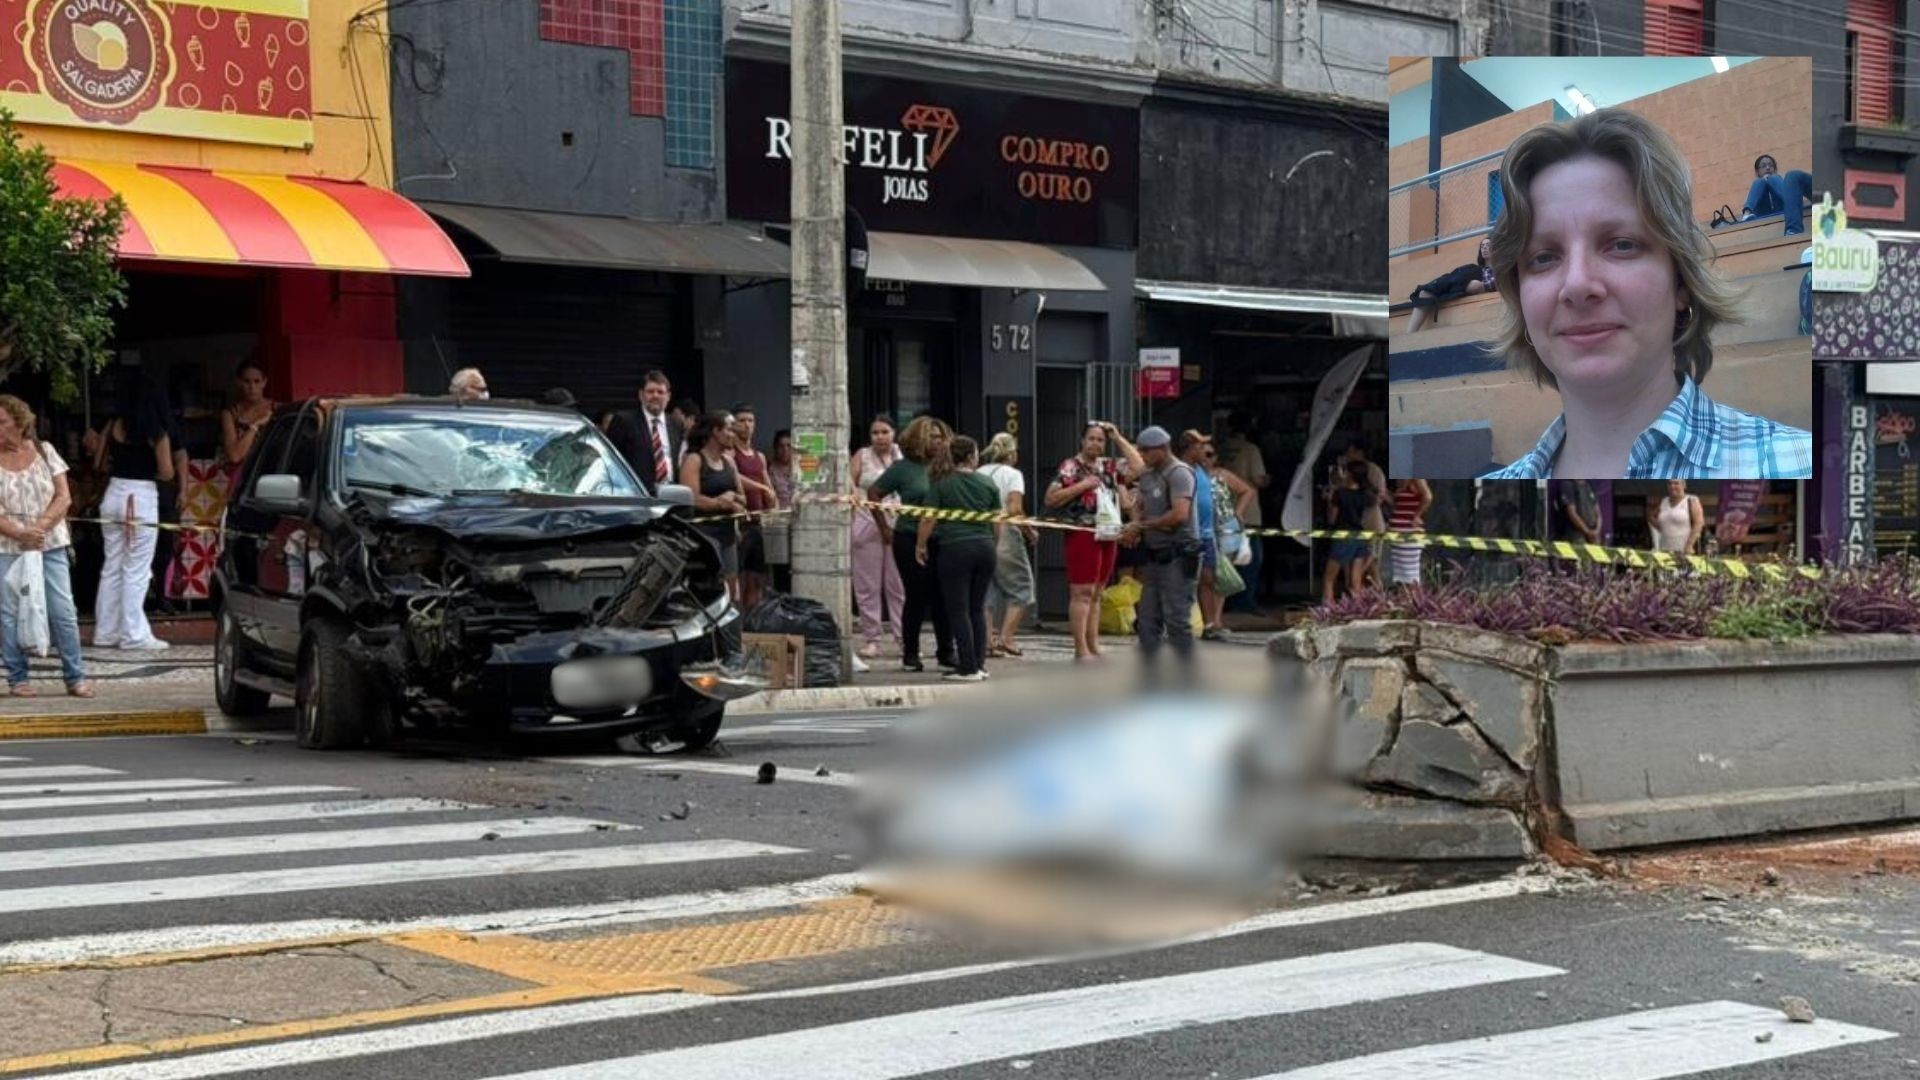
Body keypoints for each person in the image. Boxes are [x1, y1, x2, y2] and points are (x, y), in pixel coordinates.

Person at [1478, 108, 1812, 479]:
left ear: (1681, 283)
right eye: (1542, 257)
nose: (1577, 285)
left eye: (1621, 245)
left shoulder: (1799, 462)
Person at [0, 396, 90, 698]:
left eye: (2, 422)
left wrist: (38, 529)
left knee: (62, 609)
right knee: (10, 612)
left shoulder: (44, 450)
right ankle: (18, 678)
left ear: (20, 422)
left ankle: (75, 676)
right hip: (7, 546)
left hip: (50, 543)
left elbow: (63, 497)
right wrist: (20, 533)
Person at [90, 370, 179, 651]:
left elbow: (98, 464)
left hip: (113, 494)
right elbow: (167, 472)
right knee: (136, 569)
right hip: (140, 498)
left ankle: (105, 632)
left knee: (113, 564)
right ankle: (133, 634)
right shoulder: (156, 431)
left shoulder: (112, 425)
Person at [1045, 421, 1143, 662]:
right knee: (1082, 592)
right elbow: (1051, 498)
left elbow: (1139, 466)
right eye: (1092, 439)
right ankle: (1081, 649)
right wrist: (1082, 486)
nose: (1096, 444)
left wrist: (1117, 436)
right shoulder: (1071, 466)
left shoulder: (1109, 466)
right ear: (1082, 441)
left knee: (1098, 592)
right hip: (1082, 533)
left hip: (1108, 533)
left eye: (1100, 440)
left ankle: (1093, 644)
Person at [871, 416, 956, 672]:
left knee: (943, 596)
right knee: (916, 595)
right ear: (919, 439)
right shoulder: (903, 469)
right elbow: (874, 493)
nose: (939, 442)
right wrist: (884, 527)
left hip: (943, 538)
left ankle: (946, 652)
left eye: (941, 437)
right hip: (908, 537)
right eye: (933, 437)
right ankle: (910, 654)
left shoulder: (946, 467)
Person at [915, 435, 1001, 683]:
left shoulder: (942, 483)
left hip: (955, 548)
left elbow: (928, 518)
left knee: (958, 609)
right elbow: (997, 522)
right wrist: (993, 544)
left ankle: (967, 666)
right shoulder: (988, 483)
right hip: (985, 547)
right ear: (973, 456)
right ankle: (980, 664)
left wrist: (920, 545)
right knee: (977, 608)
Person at [1121, 426, 1200, 681]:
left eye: (1146, 450)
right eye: (1140, 450)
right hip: (1154, 556)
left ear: (1162, 448)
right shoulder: (1148, 475)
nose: (1141, 454)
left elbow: (1179, 515)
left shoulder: (1179, 474)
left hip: (1178, 555)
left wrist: (1145, 525)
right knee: (1146, 621)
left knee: (1177, 621)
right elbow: (1141, 507)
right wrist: (1134, 524)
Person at [850, 416, 905, 659]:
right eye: (875, 432)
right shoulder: (861, 456)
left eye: (885, 432)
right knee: (867, 585)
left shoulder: (903, 457)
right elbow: (849, 485)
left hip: (898, 523)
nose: (880, 437)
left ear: (894, 433)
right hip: (866, 523)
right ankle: (872, 638)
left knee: (898, 585)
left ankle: (903, 636)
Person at [977, 433, 1036, 659]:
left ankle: (986, 642)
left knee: (986, 588)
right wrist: (1029, 530)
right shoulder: (1013, 474)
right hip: (1005, 533)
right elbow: (1014, 508)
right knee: (1022, 587)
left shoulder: (978, 472)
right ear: (1012, 454)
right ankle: (1006, 638)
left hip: (980, 533)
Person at [679, 411, 747, 601]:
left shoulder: (729, 462)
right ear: (716, 432)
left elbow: (742, 498)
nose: (734, 434)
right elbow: (691, 498)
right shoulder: (694, 460)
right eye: (730, 429)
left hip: (728, 538)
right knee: (707, 594)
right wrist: (721, 503)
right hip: (703, 540)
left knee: (732, 593)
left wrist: (733, 498)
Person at [1199, 441, 1256, 639]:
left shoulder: (1222, 475)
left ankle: (1217, 620)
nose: (1207, 459)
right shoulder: (1192, 475)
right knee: (1204, 576)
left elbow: (1248, 490)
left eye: (1211, 454)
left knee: (1221, 575)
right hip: (1203, 529)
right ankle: (1206, 621)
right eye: (1204, 454)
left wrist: (1238, 512)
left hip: (1226, 527)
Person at [729, 404, 778, 612]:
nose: (747, 425)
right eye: (742, 420)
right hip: (741, 523)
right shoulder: (730, 453)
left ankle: (754, 621)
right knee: (738, 577)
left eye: (750, 420)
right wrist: (761, 487)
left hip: (758, 524)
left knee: (757, 578)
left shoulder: (759, 456)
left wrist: (773, 500)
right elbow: (734, 476)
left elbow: (767, 484)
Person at [1219, 412, 1269, 614]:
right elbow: (1258, 480)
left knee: (1227, 559)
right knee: (1251, 559)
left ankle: (1226, 600)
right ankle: (1245, 601)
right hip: (1247, 513)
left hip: (1223, 510)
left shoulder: (1221, 449)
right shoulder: (1251, 450)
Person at [606, 371, 680, 497]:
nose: (655, 396)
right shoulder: (624, 421)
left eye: (660, 392)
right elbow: (610, 461)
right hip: (637, 497)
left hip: (671, 495)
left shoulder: (675, 424)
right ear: (641, 395)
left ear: (668, 396)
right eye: (650, 391)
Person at [1176, 431, 1220, 642]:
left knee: (1208, 579)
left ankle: (1210, 625)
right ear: (1190, 448)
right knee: (1183, 582)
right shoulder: (1179, 470)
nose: (1205, 452)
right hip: (1189, 534)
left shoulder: (1202, 469)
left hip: (1207, 534)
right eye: (1201, 447)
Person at [1406, 236, 1497, 333]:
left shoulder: (1500, 269)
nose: (1484, 248)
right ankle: (1409, 334)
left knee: (1475, 285)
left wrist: (1479, 286)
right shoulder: (1474, 269)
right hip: (1457, 287)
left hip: (1463, 291)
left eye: (1488, 245)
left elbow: (1498, 284)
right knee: (1425, 293)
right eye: (1482, 246)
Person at [1322, 460, 1379, 604]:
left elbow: (1332, 519)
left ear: (1350, 475)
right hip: (1360, 537)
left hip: (1343, 536)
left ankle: (1327, 609)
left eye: (1345, 471)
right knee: (1356, 579)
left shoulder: (1340, 494)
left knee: (1329, 578)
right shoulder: (1366, 495)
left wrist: (1329, 500)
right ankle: (1358, 610)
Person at [1343, 441, 1389, 587]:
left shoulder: (1373, 471)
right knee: (1355, 560)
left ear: (1359, 453)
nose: (1347, 455)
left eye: (1350, 451)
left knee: (1370, 562)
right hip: (1356, 522)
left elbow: (1380, 496)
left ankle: (1365, 592)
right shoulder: (1346, 471)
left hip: (1370, 520)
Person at [219, 361, 274, 468]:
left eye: (257, 381)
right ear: (239, 382)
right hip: (242, 475)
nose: (252, 387)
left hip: (272, 470)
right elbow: (234, 456)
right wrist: (255, 426)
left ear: (264, 382)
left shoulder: (276, 410)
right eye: (247, 381)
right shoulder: (231, 414)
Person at [1742, 155, 1814, 236]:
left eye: (1770, 165)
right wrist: (1764, 181)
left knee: (1774, 178)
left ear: (1775, 169)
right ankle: (1746, 214)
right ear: (1757, 171)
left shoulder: (1779, 180)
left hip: (1783, 209)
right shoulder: (1756, 185)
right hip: (1762, 212)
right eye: (1763, 166)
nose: (1768, 168)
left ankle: (1793, 212)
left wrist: (1771, 179)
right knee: (1759, 182)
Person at [1387, 478, 1433, 587]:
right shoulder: (1401, 481)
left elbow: (1428, 497)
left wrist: (1417, 515)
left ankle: (1415, 601)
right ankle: (1404, 599)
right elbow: (1399, 504)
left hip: (1409, 531)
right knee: (1400, 573)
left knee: (1410, 573)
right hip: (1397, 532)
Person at [767, 429, 795, 594]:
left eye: (789, 446)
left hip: (799, 523)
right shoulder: (770, 469)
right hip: (779, 525)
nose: (785, 450)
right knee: (781, 569)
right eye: (781, 446)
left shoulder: (802, 468)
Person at [1650, 478, 1704, 554]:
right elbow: (1651, 516)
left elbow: (1698, 523)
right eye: (1670, 483)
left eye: (1676, 483)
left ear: (1684, 486)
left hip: (1684, 550)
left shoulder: (1691, 500)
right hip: (1664, 549)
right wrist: (1662, 527)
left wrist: (1689, 545)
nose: (1672, 486)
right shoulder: (1664, 501)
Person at [1554, 479, 1603, 545]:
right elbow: (1572, 513)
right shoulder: (1567, 485)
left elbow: (1598, 513)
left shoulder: (1589, 485)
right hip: (1575, 537)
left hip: (1594, 535)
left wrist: (1597, 530)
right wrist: (1587, 532)